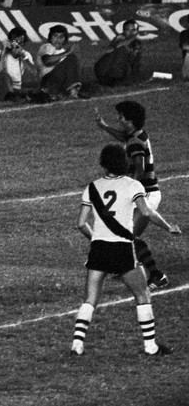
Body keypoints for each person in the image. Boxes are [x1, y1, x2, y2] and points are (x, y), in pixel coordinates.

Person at [70, 144, 181, 357]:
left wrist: (97, 239)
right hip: (122, 249)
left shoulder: (92, 187)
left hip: (98, 249)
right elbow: (147, 212)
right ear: (125, 162)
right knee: (142, 293)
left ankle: (77, 344)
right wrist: (168, 227)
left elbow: (81, 223)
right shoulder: (133, 185)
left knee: (90, 299)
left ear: (103, 163)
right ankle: (151, 347)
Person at [95, 101, 170, 290]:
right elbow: (124, 138)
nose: (118, 119)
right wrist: (104, 126)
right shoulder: (137, 135)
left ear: (129, 120)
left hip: (146, 195)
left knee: (127, 235)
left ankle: (157, 275)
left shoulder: (135, 142)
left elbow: (139, 169)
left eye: (121, 116)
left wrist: (129, 192)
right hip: (147, 192)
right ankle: (129, 267)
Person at [0, 27, 37, 102]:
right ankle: (12, 96)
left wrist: (24, 57)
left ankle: (16, 96)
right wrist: (3, 51)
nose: (18, 46)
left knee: (37, 85)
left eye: (21, 43)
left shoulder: (26, 54)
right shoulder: (0, 53)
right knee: (4, 75)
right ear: (10, 42)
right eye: (16, 43)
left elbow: (34, 73)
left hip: (16, 88)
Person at [37, 24, 84, 100]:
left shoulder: (63, 52)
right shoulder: (47, 46)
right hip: (47, 82)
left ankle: (68, 93)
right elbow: (47, 61)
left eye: (61, 37)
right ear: (50, 37)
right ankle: (71, 92)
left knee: (73, 58)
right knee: (72, 57)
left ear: (65, 39)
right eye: (55, 36)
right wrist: (67, 52)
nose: (58, 39)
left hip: (59, 83)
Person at [94, 19, 143, 87]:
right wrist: (133, 37)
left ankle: (118, 80)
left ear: (137, 31)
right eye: (128, 30)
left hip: (116, 70)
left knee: (132, 59)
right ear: (123, 31)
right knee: (123, 49)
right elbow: (118, 46)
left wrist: (135, 80)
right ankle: (112, 80)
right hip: (103, 70)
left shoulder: (137, 44)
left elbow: (134, 63)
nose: (131, 32)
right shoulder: (119, 38)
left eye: (133, 30)